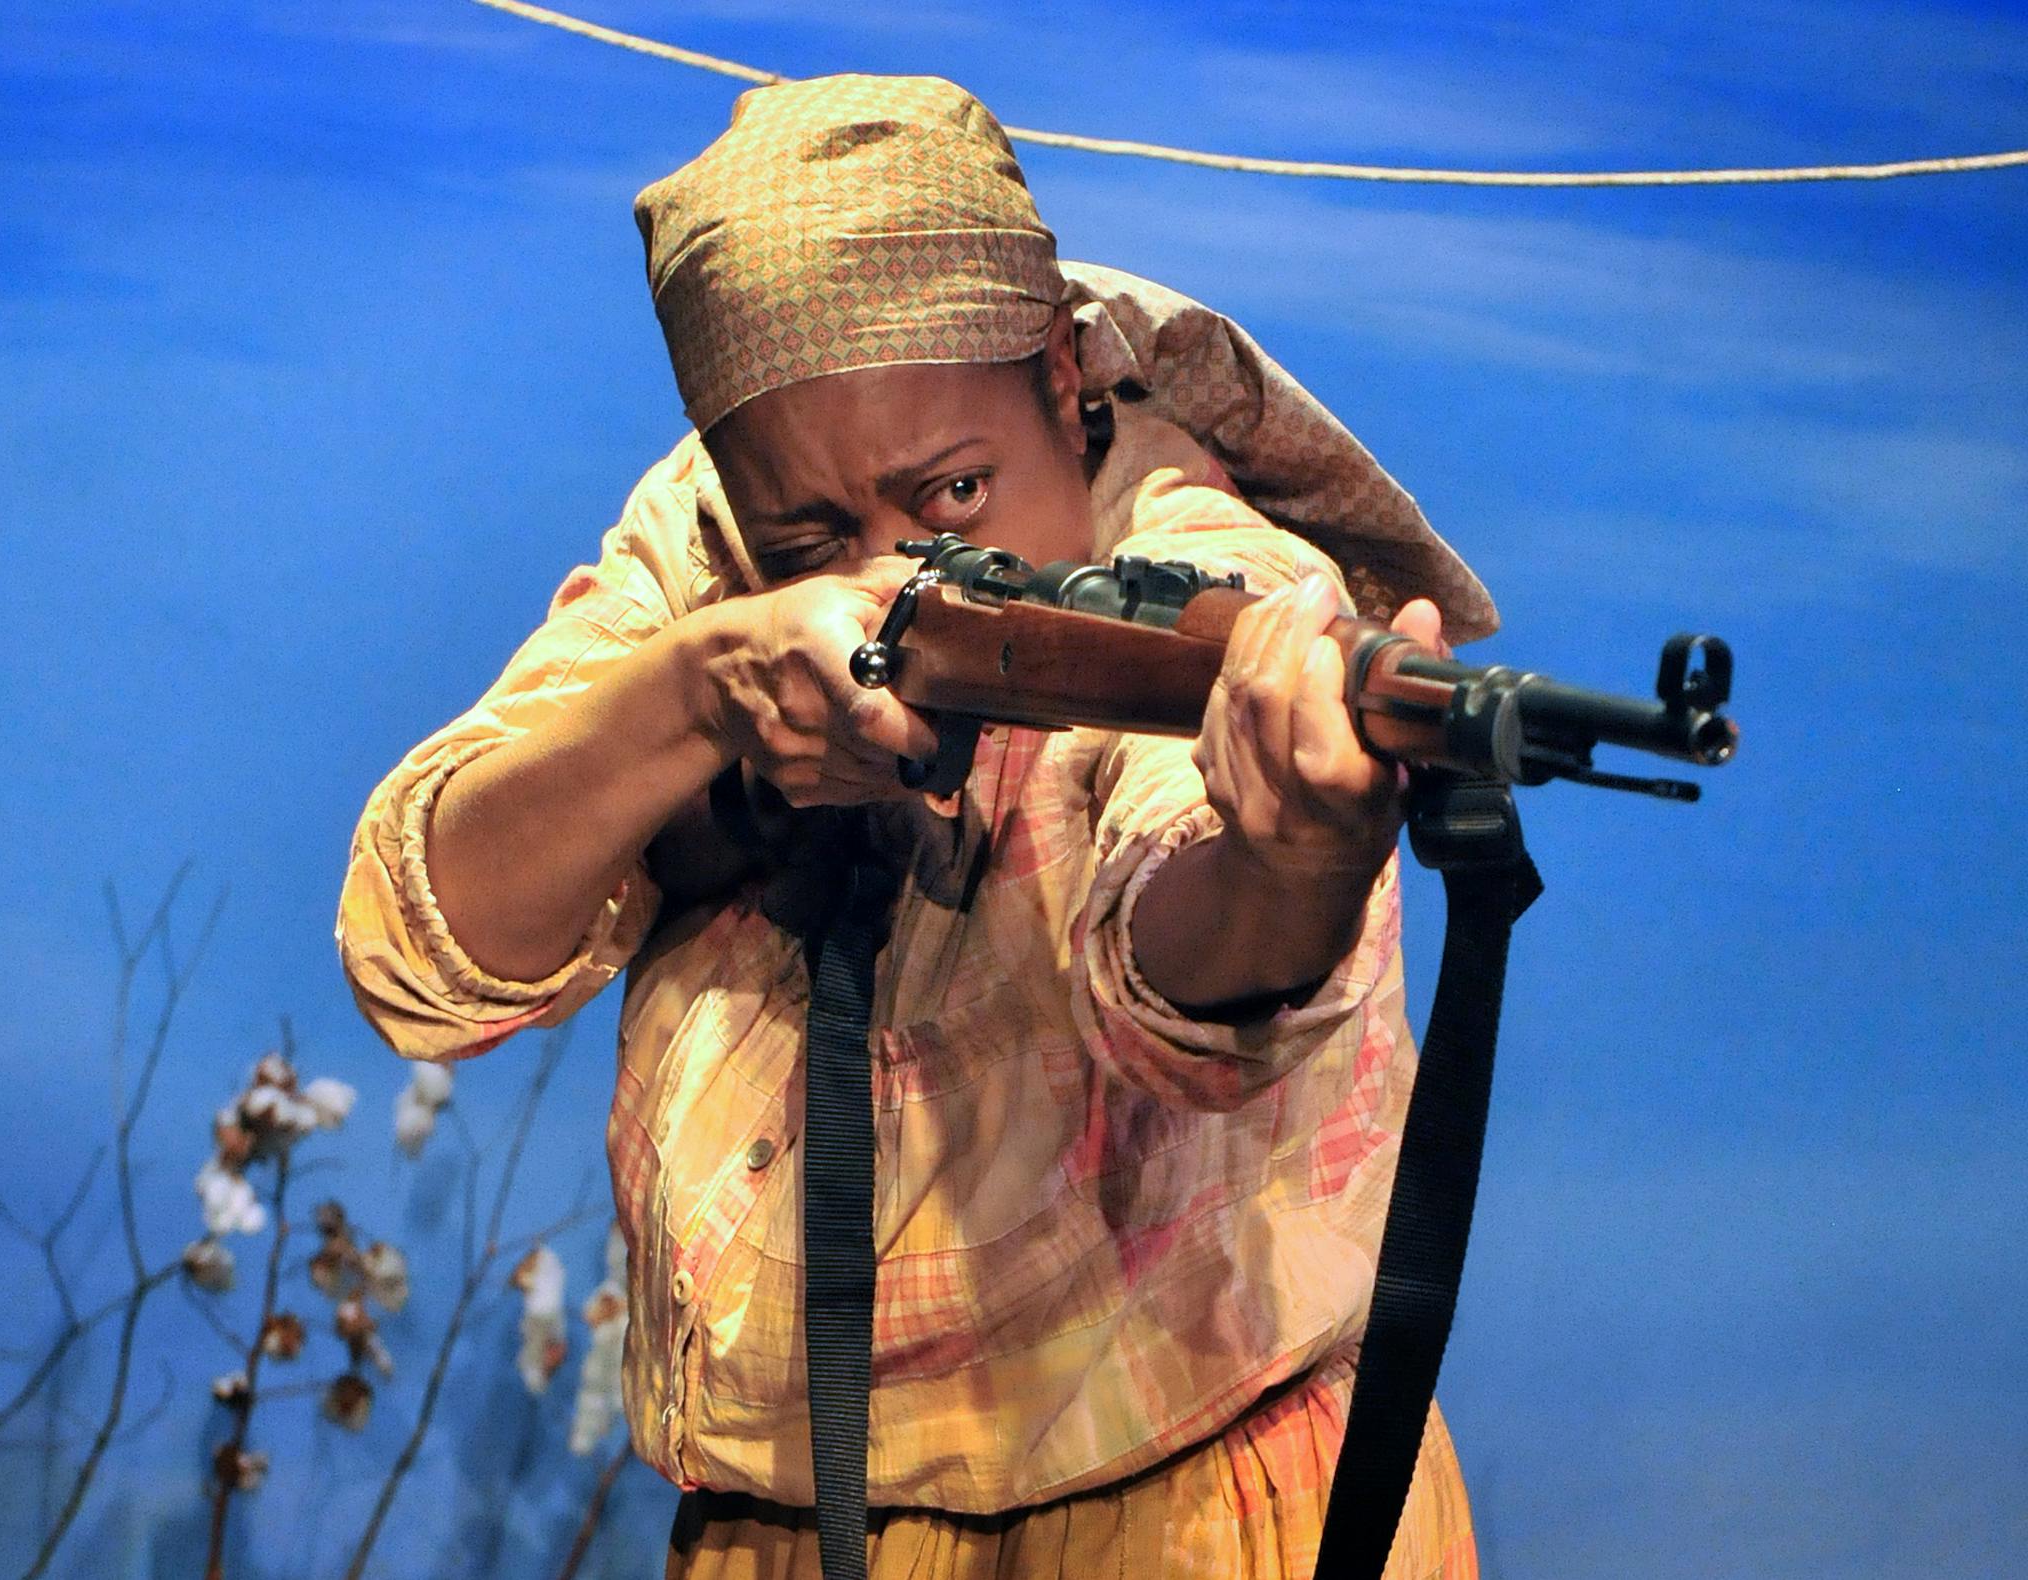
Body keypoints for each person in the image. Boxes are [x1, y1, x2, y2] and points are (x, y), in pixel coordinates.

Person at [338, 72, 1498, 1579]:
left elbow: (1182, 965)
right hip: (780, 1533)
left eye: (953, 493)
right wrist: (698, 697)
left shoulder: (1217, 585)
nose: (892, 575)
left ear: (1067, 377)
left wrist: (1296, 858)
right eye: (816, 536)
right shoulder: (701, 549)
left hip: (1189, 1521)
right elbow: (417, 941)